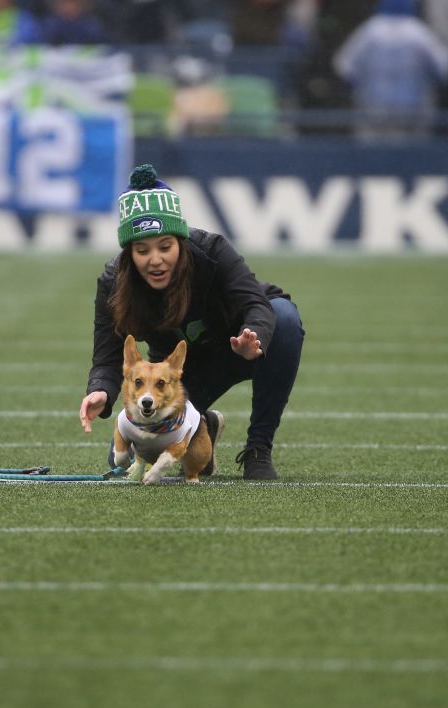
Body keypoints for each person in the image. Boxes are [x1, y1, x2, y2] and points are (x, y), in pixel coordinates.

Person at [78, 164, 305, 480]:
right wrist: (100, 390)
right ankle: (202, 426)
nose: (155, 259)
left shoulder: (213, 250)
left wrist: (253, 337)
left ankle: (258, 449)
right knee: (123, 457)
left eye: (165, 247)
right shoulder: (113, 283)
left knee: (285, 319)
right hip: (178, 372)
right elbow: (107, 356)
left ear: (181, 242)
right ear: (129, 253)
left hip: (239, 348)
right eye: (142, 250)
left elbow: (257, 303)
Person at [332, 0, 448, 141]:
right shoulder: (419, 32)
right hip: (412, 111)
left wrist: (355, 89)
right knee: (412, 156)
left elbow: (343, 67)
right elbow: (445, 68)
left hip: (373, 109)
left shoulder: (369, 30)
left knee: (373, 156)